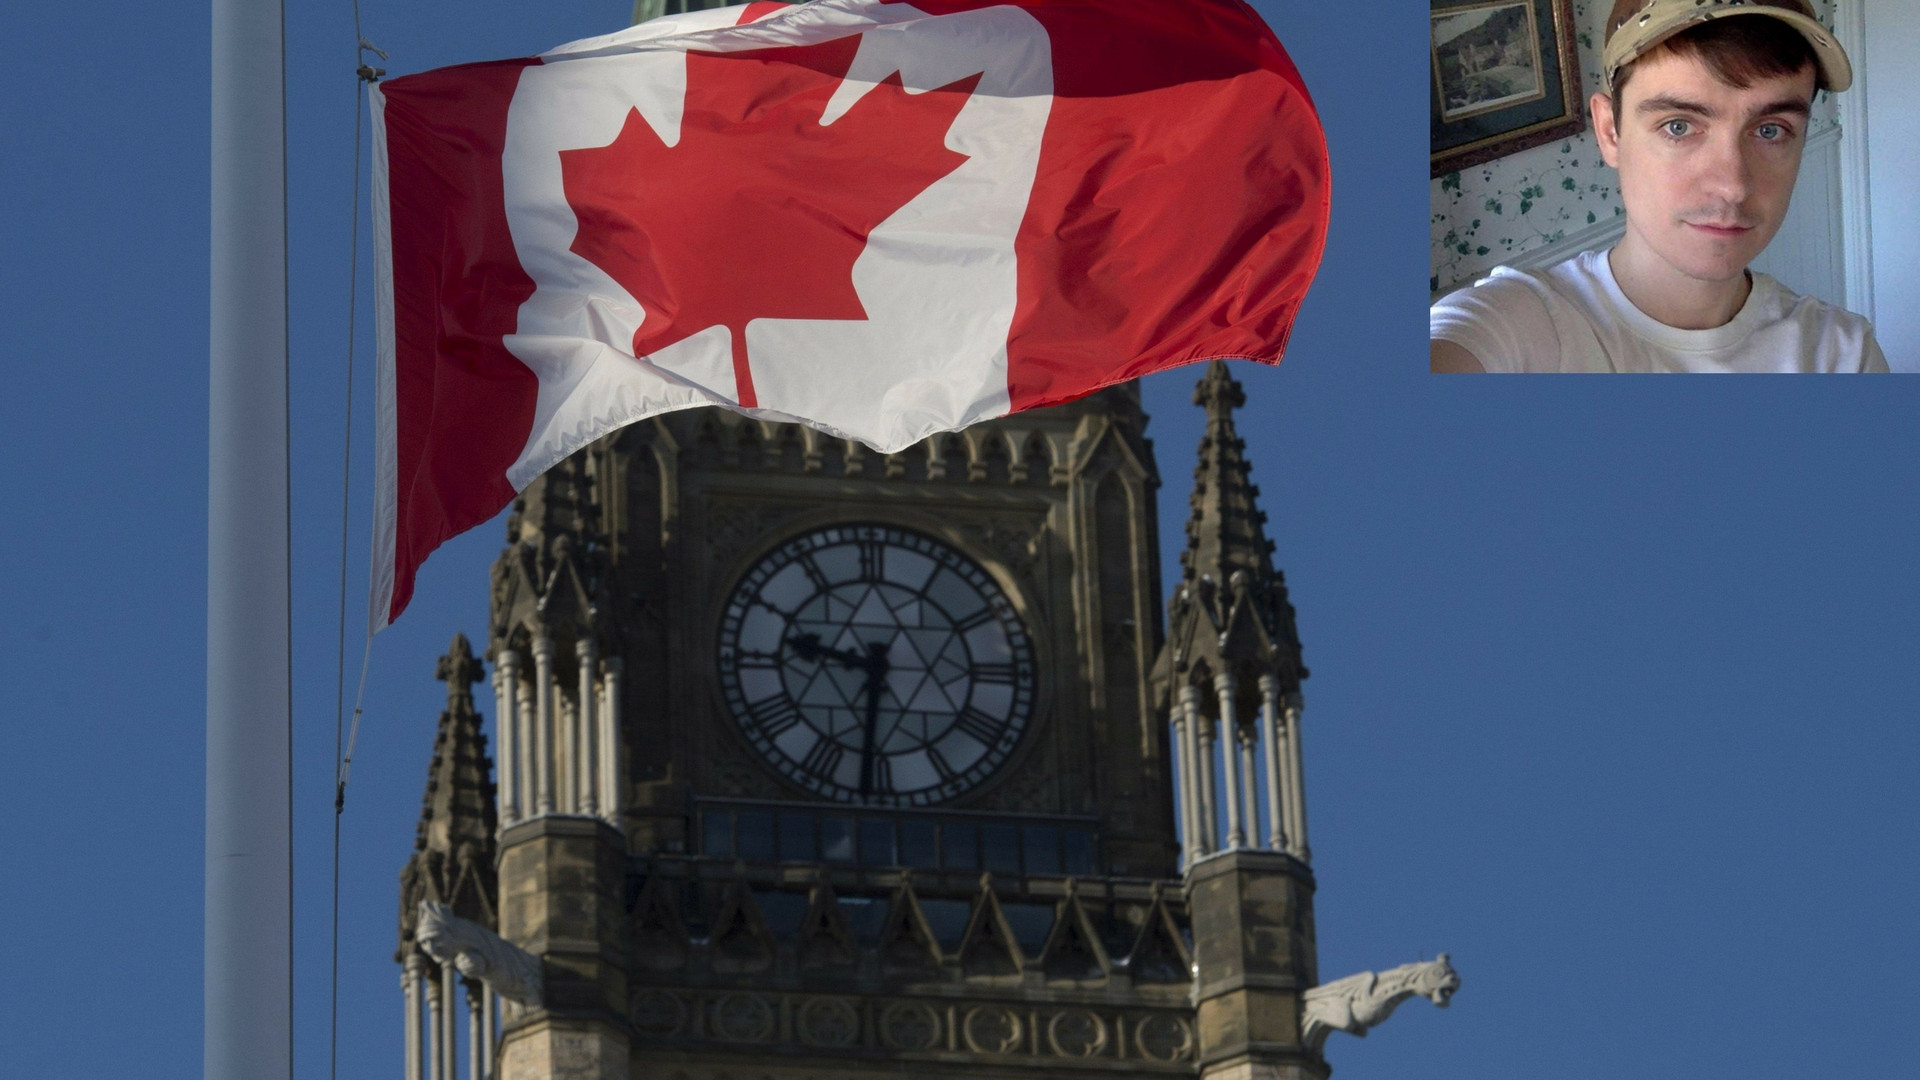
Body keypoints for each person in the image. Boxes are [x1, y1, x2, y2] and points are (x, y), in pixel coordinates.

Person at [1430, 0, 1887, 373]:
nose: (1732, 186)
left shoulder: (1840, 356)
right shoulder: (1517, 329)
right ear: (1610, 132)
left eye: (1770, 130)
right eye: (1678, 126)